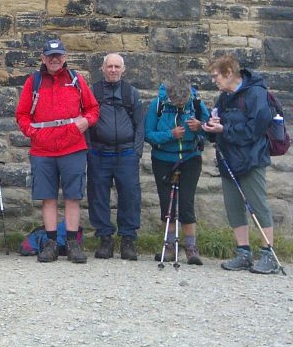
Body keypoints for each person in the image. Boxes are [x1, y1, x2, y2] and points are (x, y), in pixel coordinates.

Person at [15, 39, 99, 264]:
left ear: (65, 57)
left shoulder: (76, 80)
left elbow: (92, 109)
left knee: (73, 197)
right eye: (50, 56)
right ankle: (51, 244)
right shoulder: (33, 82)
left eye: (59, 56)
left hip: (72, 147)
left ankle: (72, 243)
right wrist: (33, 133)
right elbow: (22, 115)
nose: (55, 59)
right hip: (43, 150)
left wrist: (85, 122)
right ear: (43, 58)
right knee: (48, 198)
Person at [204, 55, 279, 274]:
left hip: (252, 159)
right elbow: (218, 123)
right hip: (228, 160)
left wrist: (224, 130)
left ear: (228, 73)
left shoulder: (256, 93)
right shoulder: (224, 97)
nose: (214, 80)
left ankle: (269, 255)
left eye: (216, 75)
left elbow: (254, 130)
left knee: (258, 205)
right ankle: (243, 253)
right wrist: (211, 125)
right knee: (234, 207)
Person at [144, 75, 209, 265]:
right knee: (167, 205)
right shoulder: (158, 104)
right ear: (170, 97)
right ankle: (170, 247)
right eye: (177, 102)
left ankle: (191, 248)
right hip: (163, 159)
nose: (180, 105)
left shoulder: (195, 103)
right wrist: (170, 135)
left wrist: (199, 126)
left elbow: (209, 128)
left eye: (183, 102)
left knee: (187, 203)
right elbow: (148, 134)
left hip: (190, 158)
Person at [87, 53, 144, 261]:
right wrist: (88, 150)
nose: (113, 70)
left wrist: (137, 152)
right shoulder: (93, 92)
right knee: (98, 197)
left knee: (130, 197)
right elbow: (85, 120)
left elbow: (140, 125)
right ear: (102, 68)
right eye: (109, 66)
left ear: (123, 69)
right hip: (99, 153)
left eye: (116, 66)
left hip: (126, 154)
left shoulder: (131, 93)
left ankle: (128, 240)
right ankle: (105, 239)